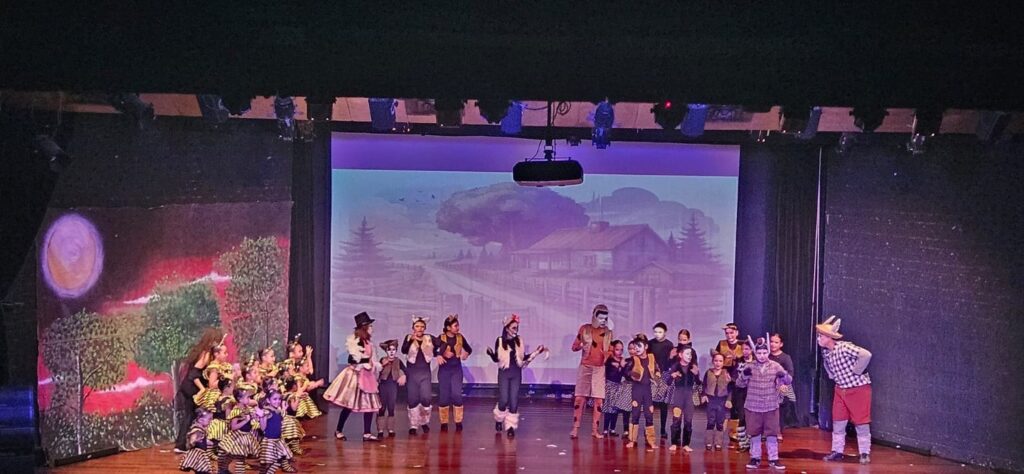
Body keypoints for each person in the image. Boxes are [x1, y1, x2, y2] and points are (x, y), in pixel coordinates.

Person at [816, 316, 874, 465]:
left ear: (829, 337)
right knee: (838, 421)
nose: (819, 338)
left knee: (861, 422)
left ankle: (864, 453)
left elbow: (866, 354)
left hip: (858, 389)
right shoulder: (826, 352)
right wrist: (832, 375)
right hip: (840, 389)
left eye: (821, 336)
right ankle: (837, 451)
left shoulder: (844, 347)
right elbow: (828, 366)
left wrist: (857, 370)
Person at [324, 312, 383, 441]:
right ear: (364, 327)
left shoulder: (369, 343)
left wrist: (375, 364)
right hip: (356, 377)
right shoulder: (356, 342)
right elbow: (352, 359)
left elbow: (372, 359)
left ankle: (367, 433)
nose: (372, 328)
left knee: (369, 405)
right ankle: (338, 430)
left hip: (367, 377)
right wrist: (365, 362)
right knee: (349, 405)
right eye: (370, 326)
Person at [486, 314, 548, 438]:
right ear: (507, 328)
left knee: (513, 401)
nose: (516, 330)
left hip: (516, 374)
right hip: (504, 373)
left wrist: (537, 352)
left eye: (517, 328)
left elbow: (523, 358)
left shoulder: (519, 340)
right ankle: (499, 419)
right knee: (504, 399)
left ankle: (510, 427)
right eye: (513, 328)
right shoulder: (500, 340)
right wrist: (491, 354)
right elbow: (497, 358)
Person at [736, 336, 793, 471]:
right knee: (754, 433)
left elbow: (788, 381)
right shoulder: (749, 366)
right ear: (755, 353)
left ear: (768, 352)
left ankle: (773, 458)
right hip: (753, 406)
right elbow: (739, 384)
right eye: (759, 353)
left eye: (764, 353)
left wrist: (783, 375)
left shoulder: (775, 366)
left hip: (770, 406)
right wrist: (744, 375)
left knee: (772, 434)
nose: (762, 356)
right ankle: (755, 457)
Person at [175, 328, 223, 454]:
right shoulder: (205, 354)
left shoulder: (204, 352)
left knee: (191, 415)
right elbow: (193, 374)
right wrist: (202, 389)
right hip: (191, 387)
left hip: (190, 387)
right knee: (190, 415)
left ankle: (187, 442)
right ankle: (181, 444)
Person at [570, 304, 614, 439]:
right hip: (585, 366)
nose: (603, 321)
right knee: (579, 398)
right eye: (600, 318)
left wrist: (607, 354)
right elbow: (574, 347)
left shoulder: (608, 333)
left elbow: (610, 350)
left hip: (599, 368)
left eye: (605, 318)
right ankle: (575, 428)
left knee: (599, 400)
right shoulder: (585, 329)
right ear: (594, 316)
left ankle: (595, 430)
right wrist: (581, 345)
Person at [436, 314, 472, 432]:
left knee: (457, 395)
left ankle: (458, 421)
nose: (458, 328)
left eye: (458, 325)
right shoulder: (441, 338)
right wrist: (440, 354)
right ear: (448, 327)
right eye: (455, 326)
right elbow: (433, 349)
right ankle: (444, 422)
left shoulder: (460, 337)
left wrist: (466, 354)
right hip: (444, 370)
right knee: (444, 396)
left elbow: (469, 349)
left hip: (456, 370)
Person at [623, 334, 660, 450]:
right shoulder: (633, 359)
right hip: (637, 390)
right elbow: (626, 372)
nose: (637, 349)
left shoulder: (651, 358)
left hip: (647, 390)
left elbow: (657, 370)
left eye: (639, 346)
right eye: (635, 347)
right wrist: (631, 374)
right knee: (635, 414)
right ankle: (632, 440)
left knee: (649, 414)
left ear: (646, 346)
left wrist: (657, 376)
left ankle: (651, 440)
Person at [401, 315, 436, 435]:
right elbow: (404, 350)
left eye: (422, 326)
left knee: (426, 398)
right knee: (413, 399)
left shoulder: (429, 338)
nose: (420, 329)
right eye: (417, 326)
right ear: (413, 328)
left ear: (425, 328)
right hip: (412, 373)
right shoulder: (408, 337)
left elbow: (441, 345)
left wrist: (439, 354)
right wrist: (411, 340)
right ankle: (413, 425)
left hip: (425, 373)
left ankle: (424, 422)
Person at [663, 344, 700, 452]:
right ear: (680, 355)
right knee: (676, 420)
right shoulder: (675, 366)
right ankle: (675, 442)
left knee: (688, 421)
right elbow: (667, 382)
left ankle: (686, 444)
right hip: (678, 396)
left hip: (689, 396)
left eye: (691, 354)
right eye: (687, 354)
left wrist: (696, 375)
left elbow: (698, 383)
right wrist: (672, 376)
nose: (689, 356)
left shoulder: (693, 367)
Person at [711, 323, 744, 442]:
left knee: (736, 407)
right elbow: (715, 357)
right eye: (727, 333)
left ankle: (734, 434)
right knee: (722, 406)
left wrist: (737, 358)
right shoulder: (722, 344)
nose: (729, 335)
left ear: (736, 333)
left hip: (738, 379)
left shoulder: (742, 345)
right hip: (724, 378)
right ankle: (719, 433)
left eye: (731, 333)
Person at [280, 334, 324, 419]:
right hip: (291, 389)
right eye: (299, 351)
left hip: (300, 387)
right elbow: (291, 378)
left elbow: (310, 371)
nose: (302, 353)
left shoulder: (300, 362)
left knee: (307, 387)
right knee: (308, 384)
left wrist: (309, 356)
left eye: (302, 351)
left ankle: (304, 412)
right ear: (292, 354)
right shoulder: (288, 364)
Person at [218, 388, 261, 474]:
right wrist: (245, 420)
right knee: (236, 456)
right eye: (247, 397)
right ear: (240, 399)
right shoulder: (236, 411)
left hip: (246, 436)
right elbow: (233, 427)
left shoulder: (247, 408)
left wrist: (254, 417)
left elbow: (251, 421)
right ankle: (223, 469)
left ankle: (223, 469)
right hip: (237, 437)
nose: (249, 399)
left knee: (239, 457)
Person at [256, 390, 297, 474]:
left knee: (282, 457)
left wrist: (284, 409)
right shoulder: (267, 411)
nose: (278, 401)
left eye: (279, 399)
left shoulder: (277, 411)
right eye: (275, 399)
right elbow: (263, 428)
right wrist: (262, 417)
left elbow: (280, 418)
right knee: (269, 462)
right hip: (270, 441)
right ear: (268, 400)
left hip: (278, 440)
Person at [648, 322, 674, 441]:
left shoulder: (669, 344)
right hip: (652, 375)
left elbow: (671, 361)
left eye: (660, 332)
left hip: (664, 375)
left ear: (665, 332)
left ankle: (663, 429)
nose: (657, 334)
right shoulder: (650, 343)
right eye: (655, 332)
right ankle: (649, 428)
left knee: (664, 404)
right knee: (650, 403)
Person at [701, 353, 732, 451]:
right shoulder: (708, 372)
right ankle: (708, 442)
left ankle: (718, 442)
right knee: (710, 421)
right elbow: (703, 385)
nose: (718, 363)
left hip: (722, 401)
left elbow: (730, 388)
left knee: (720, 422)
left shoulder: (726, 373)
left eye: (720, 361)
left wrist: (729, 400)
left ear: (723, 362)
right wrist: (703, 395)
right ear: (712, 361)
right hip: (711, 400)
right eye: (716, 361)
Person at [376, 339, 406, 438]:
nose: (392, 352)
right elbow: (377, 371)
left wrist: (403, 375)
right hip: (383, 386)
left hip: (393, 386)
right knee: (382, 407)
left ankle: (391, 429)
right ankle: (380, 429)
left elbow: (404, 371)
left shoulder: (398, 361)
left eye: (394, 350)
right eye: (389, 350)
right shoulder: (382, 360)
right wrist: (382, 365)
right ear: (386, 351)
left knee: (391, 407)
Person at [601, 340, 630, 437]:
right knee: (608, 409)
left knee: (615, 409)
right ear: (613, 349)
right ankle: (605, 429)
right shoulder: (609, 359)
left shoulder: (623, 360)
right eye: (617, 349)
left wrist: (622, 366)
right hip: (609, 386)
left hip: (618, 386)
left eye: (621, 350)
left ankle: (612, 429)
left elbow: (624, 374)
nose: (619, 352)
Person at [768, 333, 797, 432]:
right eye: (771, 341)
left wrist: (783, 384)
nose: (773, 344)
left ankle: (778, 431)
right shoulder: (766, 356)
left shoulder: (785, 357)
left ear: (781, 344)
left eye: (776, 342)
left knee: (780, 409)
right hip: (767, 386)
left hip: (781, 387)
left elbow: (790, 372)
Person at [178, 408, 213, 474]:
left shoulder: (202, 429)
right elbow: (192, 440)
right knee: (202, 469)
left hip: (201, 453)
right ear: (201, 420)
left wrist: (206, 441)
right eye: (209, 419)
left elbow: (202, 438)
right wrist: (195, 440)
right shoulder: (197, 430)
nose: (211, 421)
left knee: (201, 469)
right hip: (197, 454)